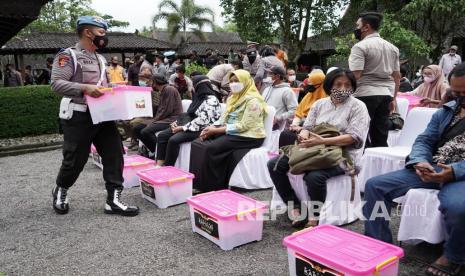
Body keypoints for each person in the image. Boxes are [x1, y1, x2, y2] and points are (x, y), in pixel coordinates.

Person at [363, 62, 465, 276]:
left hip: (459, 176)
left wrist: (454, 171)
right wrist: (420, 162)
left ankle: (454, 256)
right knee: (375, 186)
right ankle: (380, 247)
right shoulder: (447, 111)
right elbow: (424, 140)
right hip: (434, 167)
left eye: (464, 92)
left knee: (458, 208)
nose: (459, 96)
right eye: (456, 92)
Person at [50, 15, 139, 216]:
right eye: (101, 32)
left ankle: (113, 200)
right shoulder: (68, 55)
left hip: (103, 114)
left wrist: (117, 91)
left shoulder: (100, 58)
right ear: (88, 33)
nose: (104, 37)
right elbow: (56, 84)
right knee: (75, 159)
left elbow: (103, 87)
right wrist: (85, 88)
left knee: (115, 154)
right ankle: (61, 189)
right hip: (79, 114)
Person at [268, 68, 370, 228]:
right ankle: (294, 206)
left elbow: (354, 138)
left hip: (343, 155)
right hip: (313, 149)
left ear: (353, 86)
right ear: (329, 85)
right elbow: (307, 127)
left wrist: (322, 140)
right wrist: (304, 134)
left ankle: (315, 216)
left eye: (347, 84)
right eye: (338, 84)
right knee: (274, 164)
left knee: (314, 176)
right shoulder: (320, 104)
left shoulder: (358, 107)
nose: (343, 88)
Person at [189, 69, 267, 193]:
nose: (233, 84)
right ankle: (197, 182)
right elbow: (223, 117)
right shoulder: (233, 98)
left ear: (246, 82)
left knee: (211, 148)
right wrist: (212, 127)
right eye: (231, 81)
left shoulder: (254, 101)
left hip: (250, 135)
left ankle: (211, 187)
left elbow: (245, 126)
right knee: (197, 143)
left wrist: (218, 131)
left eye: (237, 81)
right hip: (231, 131)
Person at [349, 12, 400, 147]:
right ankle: (379, 165)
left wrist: (344, 96)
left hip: (364, 94)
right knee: (380, 135)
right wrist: (393, 99)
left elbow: (356, 75)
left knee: (360, 135)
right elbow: (396, 76)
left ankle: (362, 165)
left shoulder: (360, 46)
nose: (356, 28)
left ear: (366, 27)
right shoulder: (392, 48)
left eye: (357, 25)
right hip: (386, 94)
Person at [156, 76, 221, 166]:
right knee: (162, 135)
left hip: (203, 128)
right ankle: (159, 164)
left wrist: (182, 128)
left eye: (194, 85)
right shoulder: (198, 97)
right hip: (190, 124)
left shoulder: (211, 100)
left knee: (173, 140)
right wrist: (177, 122)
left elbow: (203, 120)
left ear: (200, 86)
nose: (192, 88)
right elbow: (189, 114)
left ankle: (168, 167)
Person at [137, 73, 183, 156]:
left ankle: (160, 154)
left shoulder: (169, 89)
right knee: (137, 128)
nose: (150, 83)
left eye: (151, 81)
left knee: (145, 131)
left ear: (155, 82)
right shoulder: (162, 90)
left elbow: (167, 110)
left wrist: (154, 121)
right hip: (163, 118)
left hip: (172, 119)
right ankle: (155, 151)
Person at [279, 70, 328, 147]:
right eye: (309, 83)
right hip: (302, 125)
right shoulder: (309, 95)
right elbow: (299, 112)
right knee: (284, 134)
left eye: (312, 84)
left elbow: (323, 122)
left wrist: (303, 129)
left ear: (320, 85)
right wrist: (294, 125)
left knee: (291, 137)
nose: (309, 86)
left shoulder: (327, 100)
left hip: (316, 130)